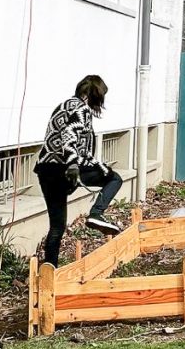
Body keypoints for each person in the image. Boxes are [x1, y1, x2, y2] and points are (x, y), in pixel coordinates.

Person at [34, 75, 124, 267]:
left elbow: (70, 139)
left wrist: (94, 164)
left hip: (46, 170)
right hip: (66, 168)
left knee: (57, 226)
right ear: (93, 95)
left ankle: (50, 272)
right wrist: (73, 165)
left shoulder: (64, 105)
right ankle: (96, 214)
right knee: (114, 179)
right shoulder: (81, 108)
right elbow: (69, 136)